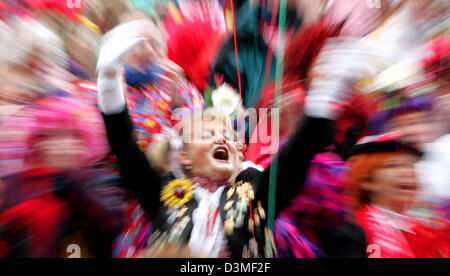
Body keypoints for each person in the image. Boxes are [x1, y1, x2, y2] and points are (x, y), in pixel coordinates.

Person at [96, 20, 356, 258]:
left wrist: (323, 98)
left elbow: (295, 159)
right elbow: (125, 150)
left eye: (230, 137)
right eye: (208, 134)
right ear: (183, 154)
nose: (223, 141)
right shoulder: (166, 192)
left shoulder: (252, 192)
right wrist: (108, 79)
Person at [0, 96, 127, 257]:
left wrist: (67, 183)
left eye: (74, 136)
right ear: (38, 143)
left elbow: (112, 225)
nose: (65, 143)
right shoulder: (17, 184)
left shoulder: (96, 181)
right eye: (55, 136)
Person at [345, 132, 450, 258]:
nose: (407, 172)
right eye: (393, 165)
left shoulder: (427, 230)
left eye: (410, 165)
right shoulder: (355, 231)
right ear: (367, 181)